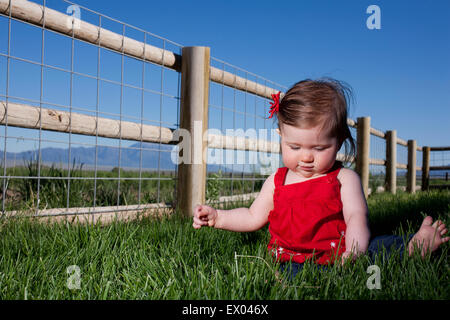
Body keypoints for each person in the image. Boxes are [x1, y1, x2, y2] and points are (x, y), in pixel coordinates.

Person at [192, 78, 449, 278]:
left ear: (338, 143)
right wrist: (219, 217)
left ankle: (415, 246)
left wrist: (354, 250)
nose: (306, 157)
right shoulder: (277, 181)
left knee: (378, 246)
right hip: (290, 258)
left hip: (341, 250)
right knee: (298, 277)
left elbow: (356, 217)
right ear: (281, 137)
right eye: (295, 147)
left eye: (318, 149)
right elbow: (251, 216)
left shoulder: (344, 178)